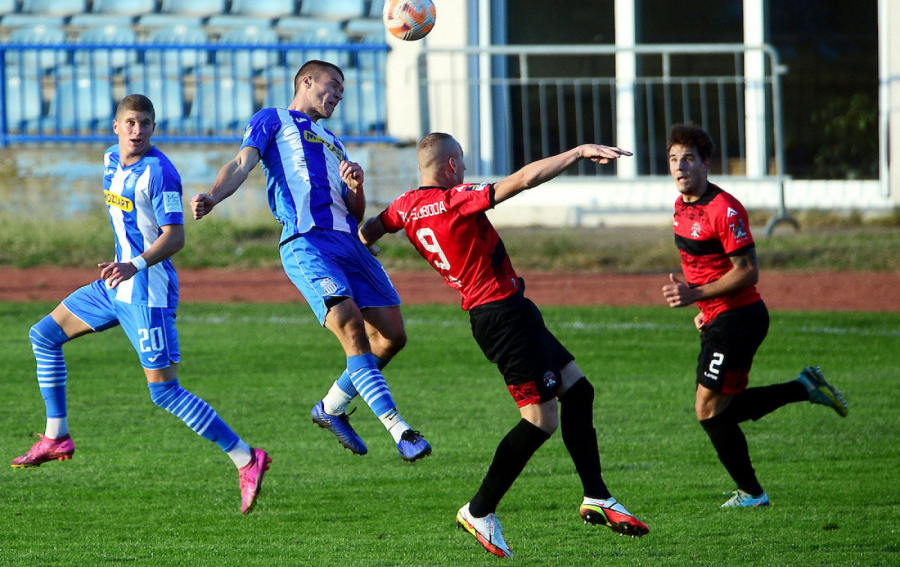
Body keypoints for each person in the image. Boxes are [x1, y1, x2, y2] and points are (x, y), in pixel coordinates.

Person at [359, 132, 649, 559]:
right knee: (540, 420)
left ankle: (597, 496)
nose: (465, 168)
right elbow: (524, 179)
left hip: (509, 312)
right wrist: (577, 152)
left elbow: (369, 230)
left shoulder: (404, 206)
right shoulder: (456, 199)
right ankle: (479, 511)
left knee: (578, 391)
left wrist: (367, 249)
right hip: (503, 317)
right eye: (462, 161)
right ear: (452, 165)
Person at [10, 94, 271, 515]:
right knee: (43, 335)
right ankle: (56, 436)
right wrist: (124, 264)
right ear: (116, 126)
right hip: (115, 285)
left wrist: (134, 264)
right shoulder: (110, 159)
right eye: (130, 122)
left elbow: (175, 237)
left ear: (153, 128)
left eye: (145, 123)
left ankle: (246, 458)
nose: (137, 130)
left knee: (164, 392)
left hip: (147, 291)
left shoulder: (161, 173)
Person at [190, 60, 430, 462]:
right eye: (332, 86)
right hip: (307, 242)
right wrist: (214, 196)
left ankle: (331, 407)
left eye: (342, 91)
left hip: (350, 244)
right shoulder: (272, 119)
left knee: (392, 337)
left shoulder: (334, 142)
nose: (337, 95)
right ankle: (401, 431)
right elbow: (241, 164)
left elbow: (354, 211)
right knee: (351, 326)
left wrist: (356, 186)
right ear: (306, 81)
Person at [661, 123, 848, 508]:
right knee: (717, 408)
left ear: (706, 164)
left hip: (739, 318)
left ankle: (752, 493)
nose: (680, 166)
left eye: (689, 159)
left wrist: (696, 296)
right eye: (674, 159)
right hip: (719, 317)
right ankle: (804, 388)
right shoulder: (681, 207)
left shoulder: (725, 210)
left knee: (708, 409)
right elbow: (704, 266)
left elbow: (747, 271)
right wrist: (702, 308)